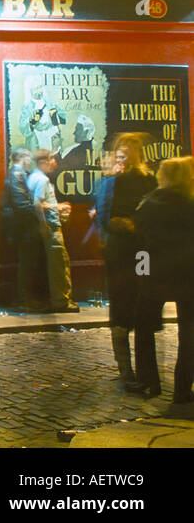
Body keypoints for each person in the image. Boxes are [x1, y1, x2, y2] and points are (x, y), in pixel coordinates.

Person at [131, 157, 194, 406]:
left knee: (144, 328)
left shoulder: (147, 205)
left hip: (153, 275)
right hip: (188, 276)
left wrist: (142, 274)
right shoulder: (190, 204)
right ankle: (182, 389)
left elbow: (140, 247)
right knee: (189, 334)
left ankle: (149, 380)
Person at [106, 133, 158, 389]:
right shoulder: (136, 180)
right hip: (134, 252)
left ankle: (128, 370)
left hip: (131, 251)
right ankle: (136, 372)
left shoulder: (132, 181)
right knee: (135, 305)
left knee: (128, 306)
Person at [27, 149, 78, 313]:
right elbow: (37, 204)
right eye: (52, 160)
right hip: (51, 228)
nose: (55, 163)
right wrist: (56, 209)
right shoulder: (41, 180)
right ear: (43, 162)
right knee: (59, 265)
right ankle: (62, 301)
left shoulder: (33, 177)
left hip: (43, 228)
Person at [2, 147, 47, 312]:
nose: (31, 162)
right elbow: (21, 204)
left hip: (21, 228)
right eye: (29, 158)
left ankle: (25, 299)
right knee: (26, 265)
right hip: (24, 229)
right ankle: (24, 300)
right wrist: (39, 217)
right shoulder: (17, 174)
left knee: (26, 264)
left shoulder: (17, 174)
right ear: (22, 157)